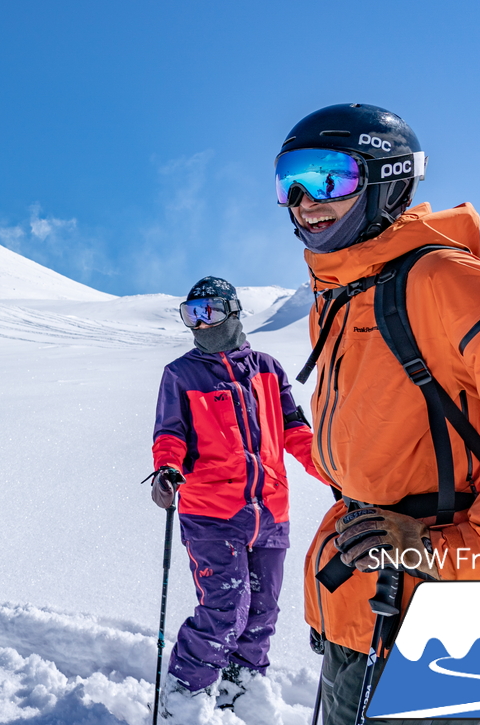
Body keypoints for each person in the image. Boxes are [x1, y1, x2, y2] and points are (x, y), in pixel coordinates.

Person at [276, 103, 480, 724]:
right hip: (363, 592)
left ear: (387, 178)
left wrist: (444, 550)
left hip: (450, 618)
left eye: (328, 177)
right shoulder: (346, 288)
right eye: (288, 179)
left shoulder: (443, 282)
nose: (302, 198)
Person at [149, 276, 322, 720]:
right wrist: (167, 468)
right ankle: (185, 698)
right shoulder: (181, 374)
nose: (200, 325)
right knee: (226, 609)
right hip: (211, 514)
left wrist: (333, 470)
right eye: (192, 314)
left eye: (208, 313)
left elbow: (295, 430)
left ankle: (242, 693)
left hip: (270, 513)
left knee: (262, 612)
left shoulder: (267, 368)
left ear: (233, 312)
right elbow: (170, 433)